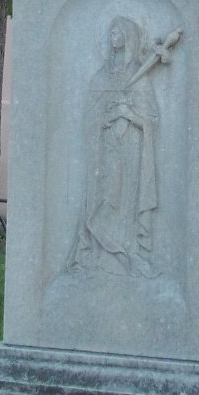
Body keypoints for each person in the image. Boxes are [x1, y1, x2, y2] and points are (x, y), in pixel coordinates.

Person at [67, 16, 160, 278]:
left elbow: (151, 121)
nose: (114, 35)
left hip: (130, 149)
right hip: (106, 150)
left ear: (130, 38)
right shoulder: (100, 78)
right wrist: (106, 116)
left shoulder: (140, 78)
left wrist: (128, 113)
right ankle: (101, 253)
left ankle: (126, 252)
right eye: (111, 31)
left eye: (119, 31)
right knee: (106, 198)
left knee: (126, 201)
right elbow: (90, 119)